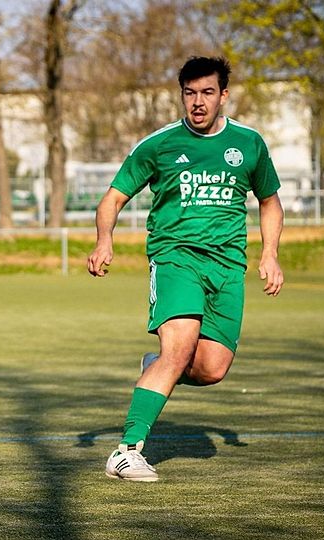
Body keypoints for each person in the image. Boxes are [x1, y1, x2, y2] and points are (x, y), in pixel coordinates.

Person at [87, 56, 284, 482]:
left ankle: (155, 366)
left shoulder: (249, 143)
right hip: (176, 258)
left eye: (207, 92)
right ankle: (127, 450)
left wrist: (270, 254)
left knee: (212, 368)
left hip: (229, 267)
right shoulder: (158, 144)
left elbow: (269, 201)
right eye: (190, 93)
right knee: (178, 351)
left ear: (223, 95)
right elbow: (112, 199)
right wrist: (105, 240)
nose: (198, 102)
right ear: (182, 95)